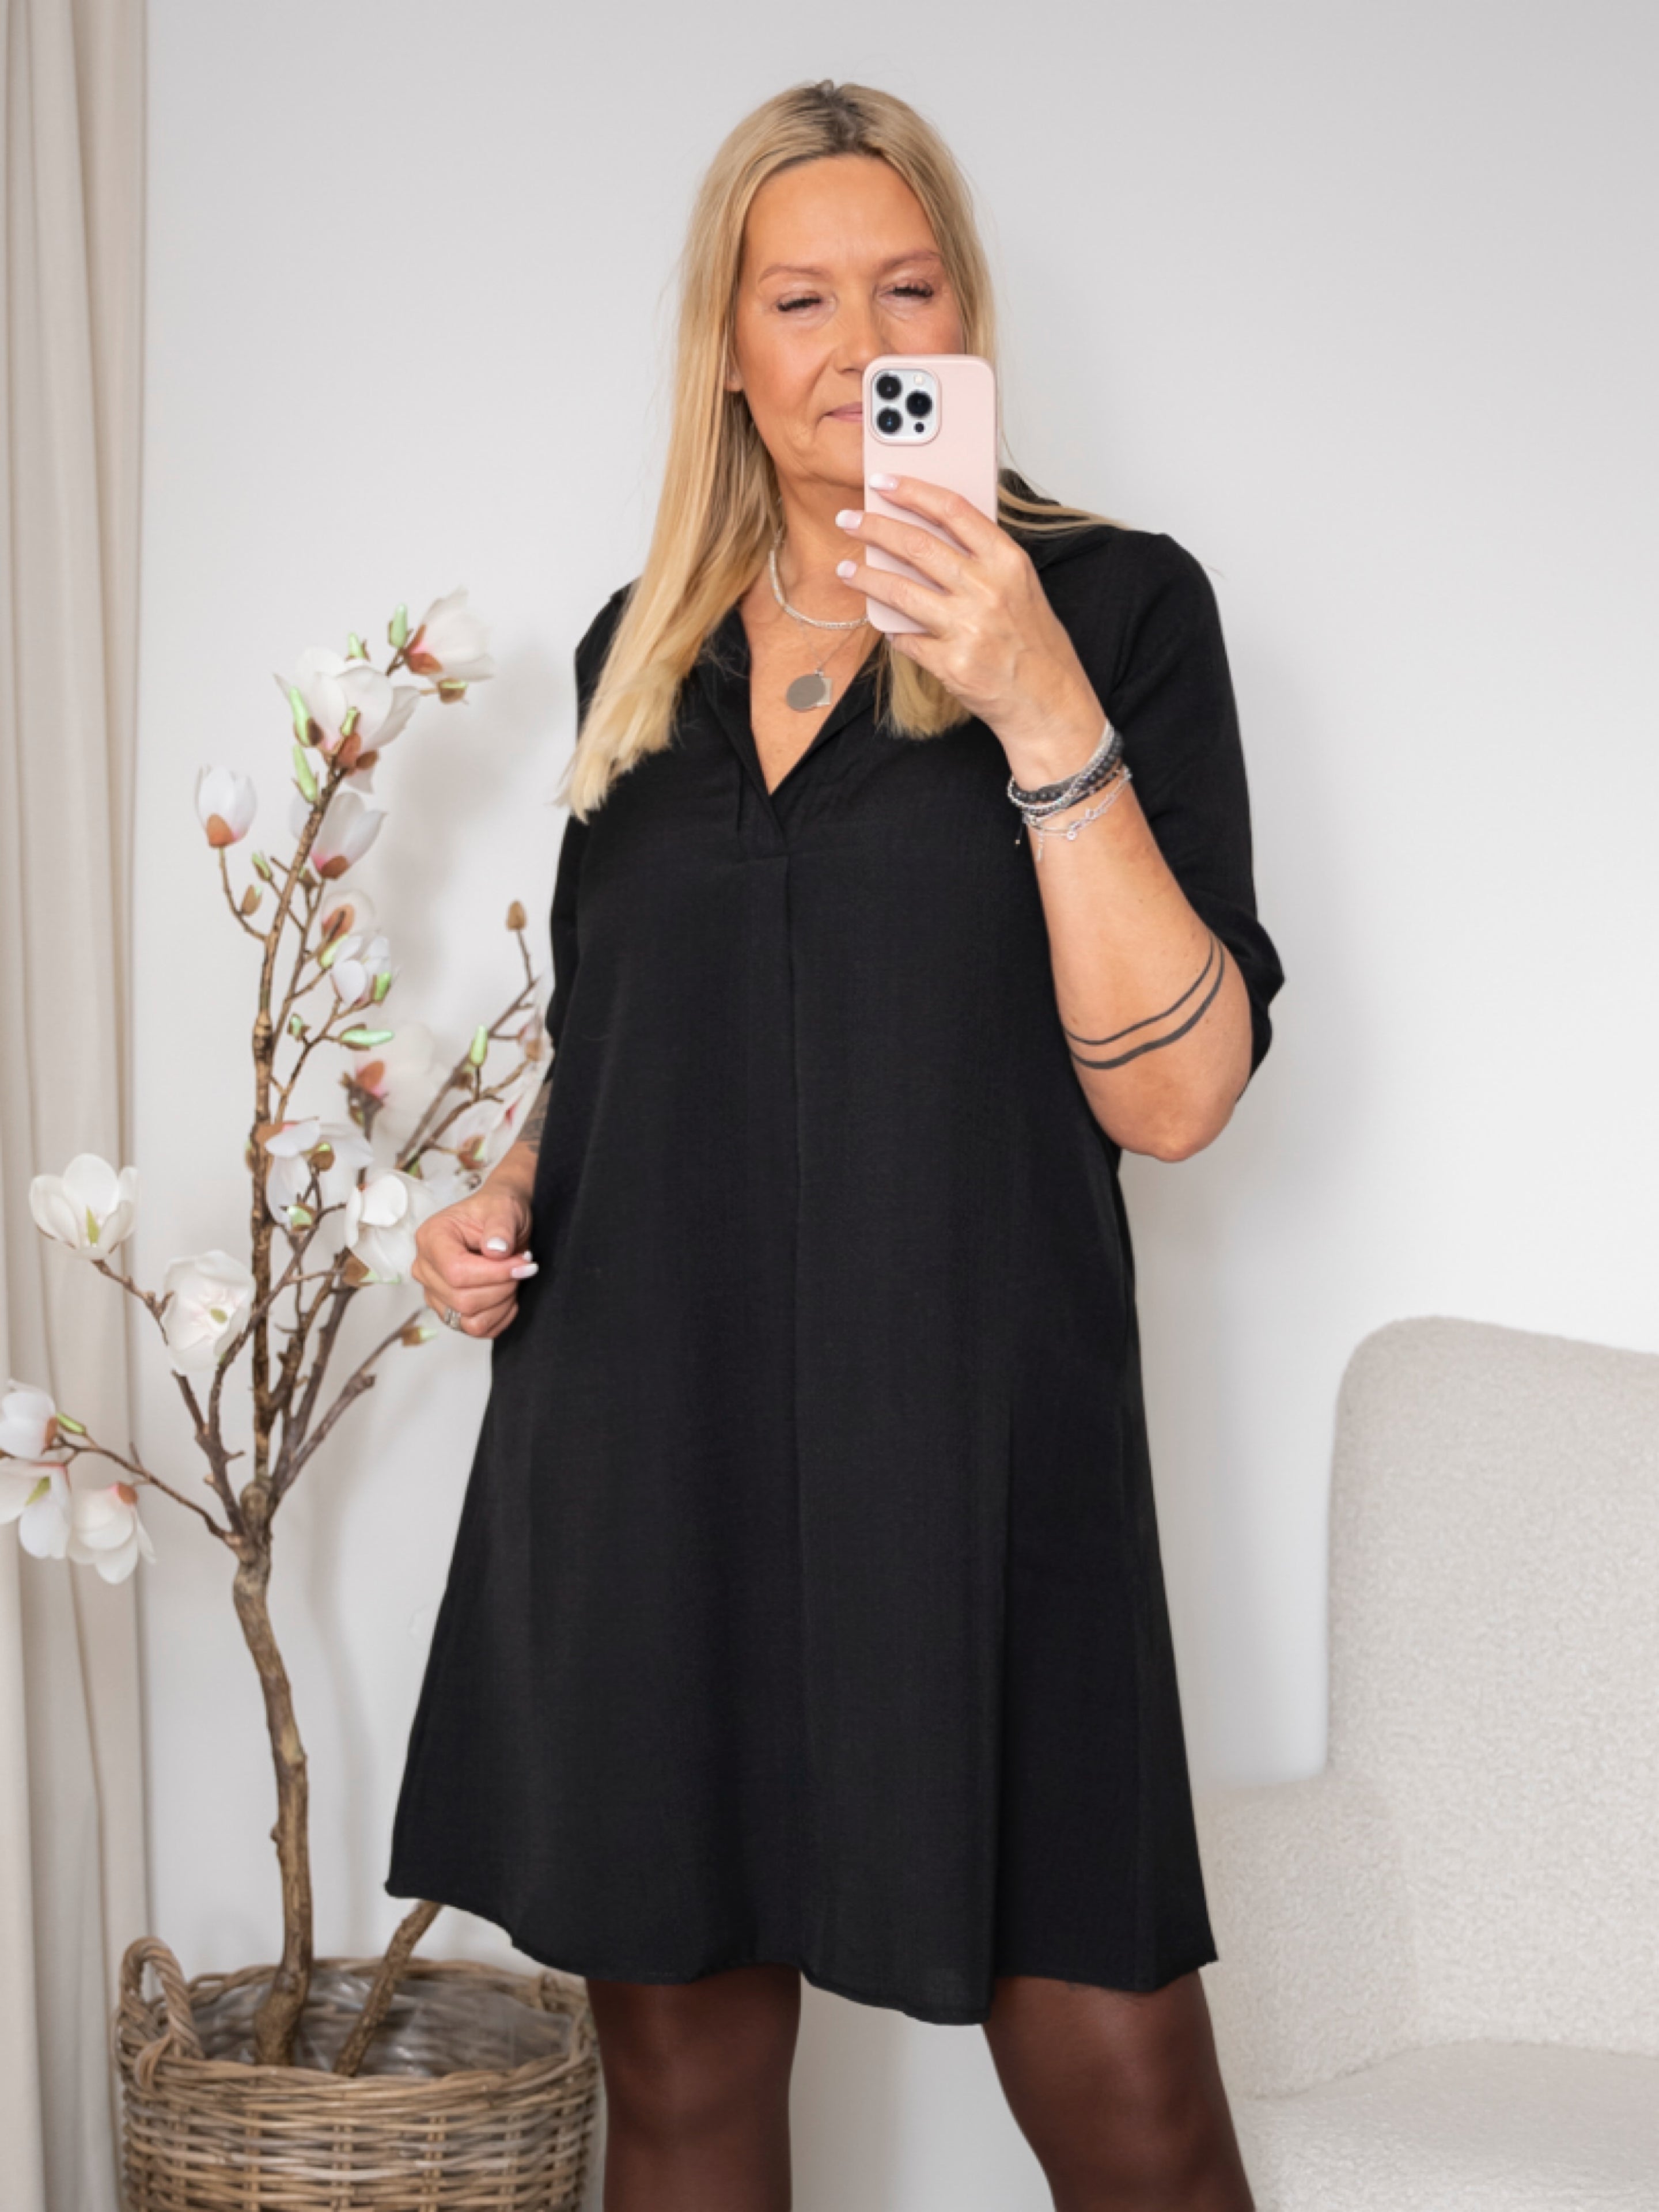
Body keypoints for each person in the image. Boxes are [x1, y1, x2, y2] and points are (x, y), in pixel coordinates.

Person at [388, 78, 1282, 2212]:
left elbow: (1177, 1097)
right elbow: (624, 1032)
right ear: (727, 344)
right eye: (799, 298)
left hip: (978, 1447)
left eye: (908, 289)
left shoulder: (1119, 610)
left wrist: (1037, 701)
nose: (857, 340)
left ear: (965, 326)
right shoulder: (641, 650)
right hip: (651, 1441)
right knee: (684, 2102)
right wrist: (507, 1193)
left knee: (1132, 2108)